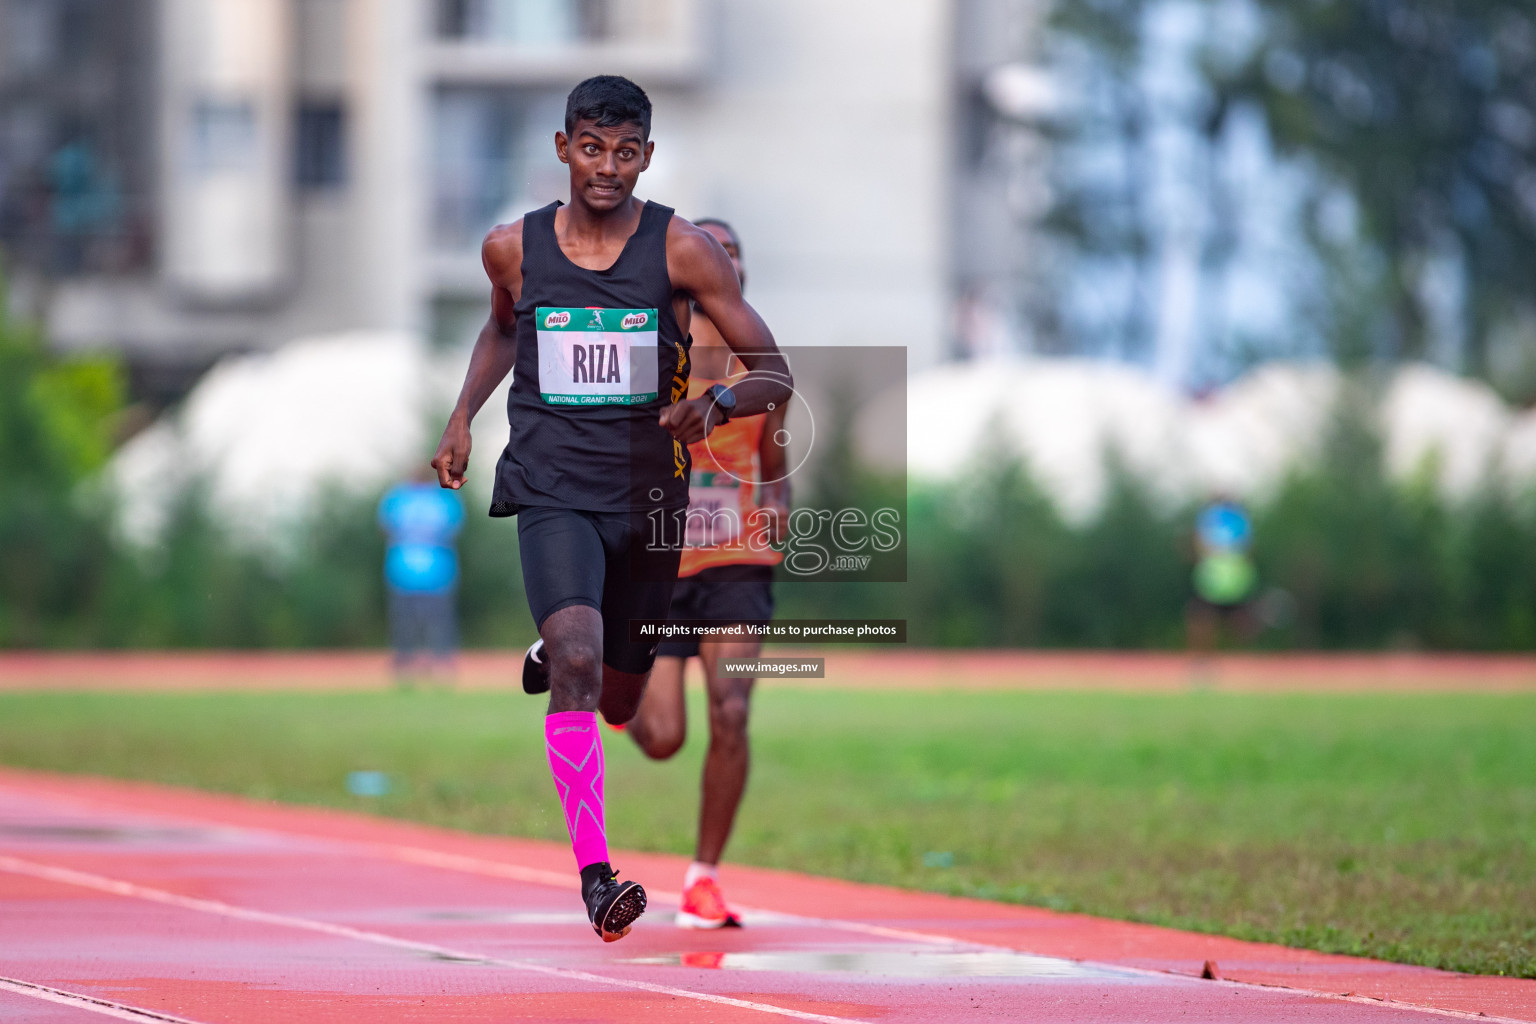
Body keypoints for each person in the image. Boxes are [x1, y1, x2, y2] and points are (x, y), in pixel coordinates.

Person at [430, 76, 792, 944]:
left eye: (625, 152)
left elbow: (775, 372)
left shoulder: (684, 251)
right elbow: (504, 330)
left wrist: (717, 407)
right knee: (580, 666)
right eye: (591, 148)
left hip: (648, 502)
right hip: (552, 488)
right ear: (562, 148)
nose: (607, 167)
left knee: (627, 706)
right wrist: (459, 417)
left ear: (647, 157)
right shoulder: (511, 249)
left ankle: (564, 653)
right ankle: (597, 878)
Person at [623, 219, 788, 929]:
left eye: (734, 254)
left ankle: (704, 877)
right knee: (662, 736)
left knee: (732, 709)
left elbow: (775, 464)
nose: (724, 263)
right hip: (661, 566)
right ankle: (607, 682)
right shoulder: (654, 360)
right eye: (711, 250)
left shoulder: (764, 373)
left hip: (738, 565)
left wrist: (778, 509)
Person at [377, 469, 465, 685]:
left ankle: (405, 667)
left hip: (404, 567)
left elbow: (385, 528)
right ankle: (441, 665)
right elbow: (454, 530)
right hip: (437, 568)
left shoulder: (397, 497)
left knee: (405, 621)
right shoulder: (445, 498)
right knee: (438, 621)